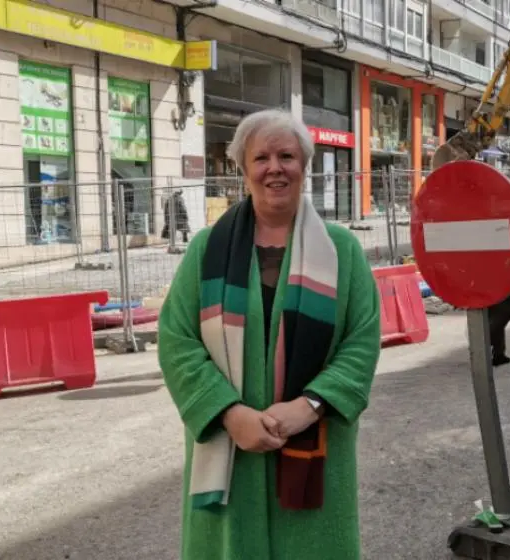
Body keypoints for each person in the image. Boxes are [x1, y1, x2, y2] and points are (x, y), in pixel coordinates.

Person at [158, 108, 382, 560]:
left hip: (314, 445)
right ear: (243, 169)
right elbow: (176, 340)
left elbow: (362, 341)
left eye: (287, 156)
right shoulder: (207, 250)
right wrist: (228, 413)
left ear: (305, 165)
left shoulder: (342, 251)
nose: (274, 168)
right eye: (261, 158)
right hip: (229, 447)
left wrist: (311, 405)